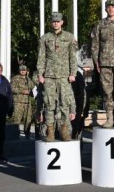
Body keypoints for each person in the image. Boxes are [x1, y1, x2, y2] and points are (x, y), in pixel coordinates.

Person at [37, 12, 78, 142]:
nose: (55, 23)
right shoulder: (44, 38)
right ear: (51, 23)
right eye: (53, 21)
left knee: (64, 104)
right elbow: (41, 57)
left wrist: (73, 73)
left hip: (64, 76)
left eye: (58, 21)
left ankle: (64, 130)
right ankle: (50, 131)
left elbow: (73, 57)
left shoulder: (70, 37)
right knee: (49, 104)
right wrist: (40, 74)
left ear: (62, 22)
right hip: (49, 75)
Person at [10, 65, 36, 138]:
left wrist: (32, 92)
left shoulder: (28, 79)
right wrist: (22, 91)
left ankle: (27, 134)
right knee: (17, 119)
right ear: (19, 71)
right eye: (21, 70)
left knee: (28, 120)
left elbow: (33, 88)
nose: (22, 71)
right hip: (18, 102)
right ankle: (15, 135)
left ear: (26, 71)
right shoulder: (15, 78)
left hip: (27, 103)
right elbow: (12, 88)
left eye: (24, 70)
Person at [70, 68, 87, 139]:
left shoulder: (78, 75)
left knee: (76, 132)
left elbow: (82, 96)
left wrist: (81, 113)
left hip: (77, 109)